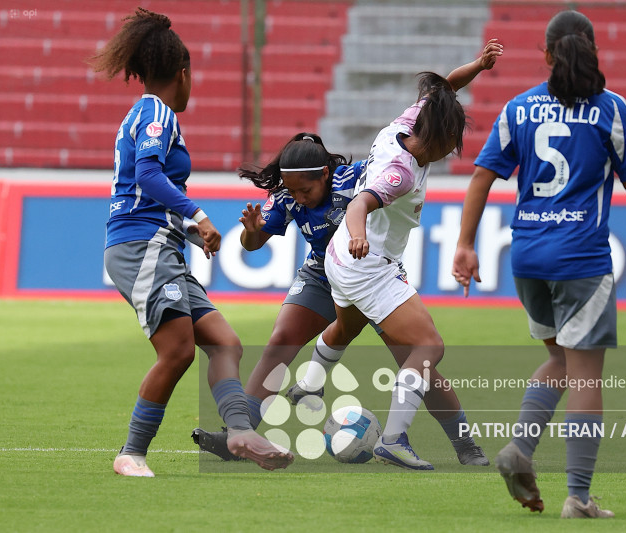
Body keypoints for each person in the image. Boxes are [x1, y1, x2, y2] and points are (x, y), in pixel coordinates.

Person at [452, 10, 626, 517]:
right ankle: (578, 497)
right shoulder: (611, 108)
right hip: (581, 257)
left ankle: (521, 448)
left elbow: (481, 176)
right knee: (585, 375)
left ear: (545, 54)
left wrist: (465, 245)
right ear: (593, 51)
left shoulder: (518, 109)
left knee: (560, 360)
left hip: (527, 255)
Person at [190, 133, 489, 466]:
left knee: (419, 363)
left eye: (306, 190)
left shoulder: (355, 179)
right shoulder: (287, 196)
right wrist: (250, 231)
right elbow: (253, 243)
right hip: (321, 274)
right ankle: (240, 435)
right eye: (293, 191)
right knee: (281, 341)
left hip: (371, 276)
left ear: (325, 174)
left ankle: (465, 444)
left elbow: (392, 174)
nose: (299, 198)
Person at [90, 7, 293, 477]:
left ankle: (239, 432)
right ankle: (131, 453)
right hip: (142, 247)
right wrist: (198, 216)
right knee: (178, 351)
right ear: (182, 73)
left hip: (158, 242)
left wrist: (186, 230)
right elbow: (147, 176)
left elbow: (141, 192)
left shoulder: (144, 114)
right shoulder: (156, 112)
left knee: (224, 343)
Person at [287, 40, 503, 470]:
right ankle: (393, 439)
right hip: (367, 265)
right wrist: (358, 236)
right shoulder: (400, 174)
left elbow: (446, 86)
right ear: (440, 135)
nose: (452, 150)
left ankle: (310, 383)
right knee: (427, 348)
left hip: (341, 261)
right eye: (453, 142)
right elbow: (358, 204)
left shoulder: (408, 122)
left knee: (354, 333)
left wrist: (479, 66)